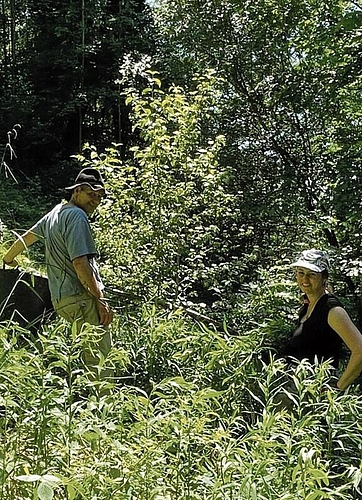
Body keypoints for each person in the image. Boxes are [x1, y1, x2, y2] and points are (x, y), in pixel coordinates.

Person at [2, 167, 114, 382]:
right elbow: (80, 263)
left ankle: (81, 405)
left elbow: (26, 238)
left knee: (85, 356)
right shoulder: (77, 216)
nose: (96, 201)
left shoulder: (56, 213)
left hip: (61, 301)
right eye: (91, 194)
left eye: (100, 196)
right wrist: (100, 300)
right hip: (82, 299)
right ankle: (105, 407)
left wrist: (8, 259)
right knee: (101, 361)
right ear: (77, 191)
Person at [279, 249, 362, 391]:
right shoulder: (308, 305)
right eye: (301, 273)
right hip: (296, 387)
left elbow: (360, 350)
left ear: (324, 277)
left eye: (312, 274)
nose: (305, 280)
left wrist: (338, 387)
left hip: (315, 390)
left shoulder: (333, 311)